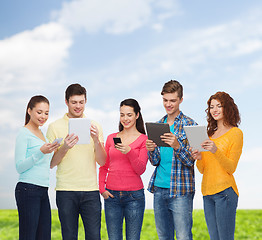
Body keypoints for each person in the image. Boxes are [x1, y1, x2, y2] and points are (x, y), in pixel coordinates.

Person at [46, 83, 106, 240]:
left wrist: (96, 140)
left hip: (91, 191)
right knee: (69, 236)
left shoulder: (95, 126)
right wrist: (64, 147)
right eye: (74, 102)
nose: (78, 106)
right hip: (66, 191)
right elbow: (50, 163)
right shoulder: (54, 127)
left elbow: (102, 161)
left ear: (85, 101)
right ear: (66, 102)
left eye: (81, 102)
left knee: (94, 236)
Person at [146, 80, 197, 240]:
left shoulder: (191, 125)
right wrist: (151, 150)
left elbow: (192, 160)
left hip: (181, 191)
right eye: (165, 100)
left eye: (172, 100)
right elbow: (155, 161)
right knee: (163, 237)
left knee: (183, 236)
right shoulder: (158, 125)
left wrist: (177, 146)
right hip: (159, 190)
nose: (168, 104)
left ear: (181, 100)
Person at [191, 91, 243, 240]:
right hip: (207, 194)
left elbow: (231, 167)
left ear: (227, 108)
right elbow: (203, 170)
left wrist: (215, 150)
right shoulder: (209, 135)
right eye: (212, 106)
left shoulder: (236, 133)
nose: (215, 110)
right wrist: (199, 157)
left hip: (225, 193)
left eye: (219, 106)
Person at [99, 98, 148, 240]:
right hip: (112, 197)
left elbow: (141, 169)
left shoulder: (143, 139)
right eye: (122, 115)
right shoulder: (111, 138)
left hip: (134, 197)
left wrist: (129, 151)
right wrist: (102, 188)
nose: (125, 119)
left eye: (129, 115)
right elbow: (104, 165)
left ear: (137, 115)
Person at [15, 95, 60, 240]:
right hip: (28, 189)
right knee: (28, 236)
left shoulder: (42, 134)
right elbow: (19, 166)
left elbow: (49, 164)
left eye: (46, 113)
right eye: (39, 112)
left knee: (44, 236)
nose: (43, 116)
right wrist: (41, 152)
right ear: (29, 111)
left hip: (42, 189)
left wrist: (60, 148)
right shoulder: (24, 133)